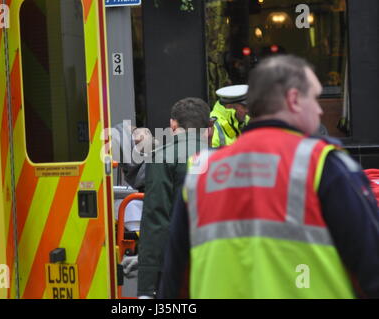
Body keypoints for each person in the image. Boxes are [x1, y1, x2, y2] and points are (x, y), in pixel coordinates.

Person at [158, 55, 379, 298]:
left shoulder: (201, 171)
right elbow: (370, 269)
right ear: (294, 99)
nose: (319, 110)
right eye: (314, 99)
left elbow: (174, 281)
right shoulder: (325, 165)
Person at [128, 97, 211, 298]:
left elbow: (156, 220)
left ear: (173, 124)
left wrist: (147, 287)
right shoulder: (223, 157)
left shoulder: (163, 157)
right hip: (215, 261)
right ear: (208, 126)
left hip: (178, 265)